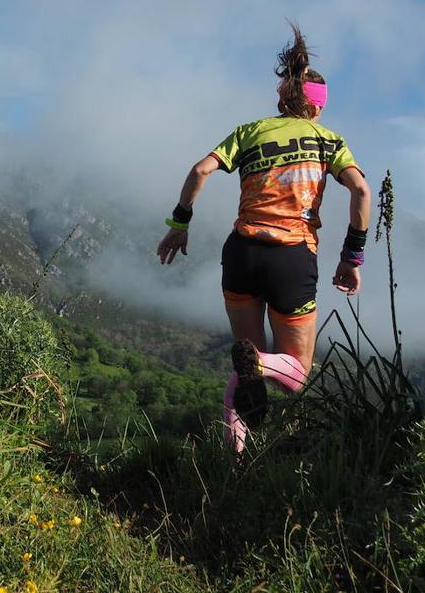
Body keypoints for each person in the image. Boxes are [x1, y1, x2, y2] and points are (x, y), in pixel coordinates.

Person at [157, 24, 371, 454]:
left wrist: (180, 224)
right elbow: (363, 191)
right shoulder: (330, 142)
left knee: (244, 367)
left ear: (281, 99)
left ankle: (233, 465)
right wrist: (352, 257)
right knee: (294, 375)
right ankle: (259, 366)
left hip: (241, 253)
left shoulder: (249, 132)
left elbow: (200, 170)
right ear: (317, 109)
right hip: (291, 257)